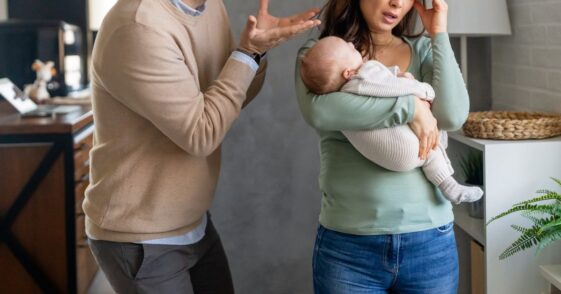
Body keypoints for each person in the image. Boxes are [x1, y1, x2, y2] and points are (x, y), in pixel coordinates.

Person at [83, 0, 320, 292]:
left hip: (193, 221)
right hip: (142, 235)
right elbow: (202, 132)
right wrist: (247, 54)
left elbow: (227, 102)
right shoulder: (138, 25)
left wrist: (256, 53)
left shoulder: (209, 7)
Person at [294, 0, 468, 292]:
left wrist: (438, 33)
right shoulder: (322, 53)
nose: (396, 3)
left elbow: (452, 115)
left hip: (429, 243)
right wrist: (411, 107)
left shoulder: (424, 50)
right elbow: (320, 112)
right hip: (348, 249)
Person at [300, 36, 483, 204]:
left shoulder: (342, 93)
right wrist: (421, 92)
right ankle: (449, 185)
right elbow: (389, 87)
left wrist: (399, 75)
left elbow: (384, 81)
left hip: (394, 157)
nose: (350, 44)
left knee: (429, 147)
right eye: (347, 48)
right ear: (348, 73)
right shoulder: (361, 75)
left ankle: (450, 187)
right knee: (431, 146)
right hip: (403, 148)